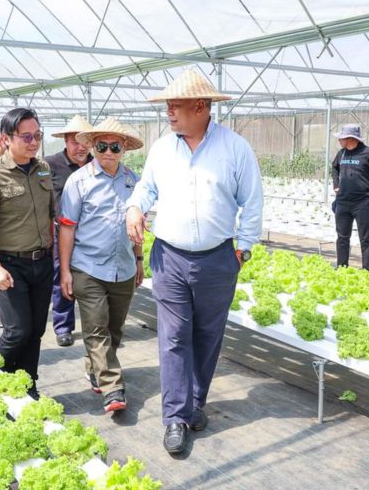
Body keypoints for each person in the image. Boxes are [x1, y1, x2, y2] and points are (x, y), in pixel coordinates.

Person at [125, 69, 263, 454]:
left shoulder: (235, 148)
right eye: (167, 106)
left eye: (175, 105)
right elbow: (146, 187)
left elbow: (252, 201)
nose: (168, 113)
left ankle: (195, 403)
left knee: (207, 335)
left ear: (200, 107)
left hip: (219, 258)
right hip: (169, 256)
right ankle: (174, 418)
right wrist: (135, 207)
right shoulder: (162, 148)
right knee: (173, 337)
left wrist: (244, 248)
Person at [58, 117, 143, 414]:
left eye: (115, 146)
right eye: (102, 145)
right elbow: (67, 228)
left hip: (123, 267)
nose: (108, 151)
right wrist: (65, 271)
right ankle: (112, 388)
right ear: (93, 146)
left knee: (114, 330)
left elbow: (138, 227)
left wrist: (140, 260)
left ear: (124, 149)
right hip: (88, 267)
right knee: (96, 329)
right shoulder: (78, 182)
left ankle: (95, 368)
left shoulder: (134, 181)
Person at [0, 107, 54, 400]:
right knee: (18, 330)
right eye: (27, 137)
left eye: (38, 136)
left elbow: (52, 214)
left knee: (36, 331)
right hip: (10, 265)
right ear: (7, 139)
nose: (34, 142)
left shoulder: (43, 168)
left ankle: (28, 383)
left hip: (42, 262)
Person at [46, 115, 94, 347]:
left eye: (85, 141)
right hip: (61, 232)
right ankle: (63, 325)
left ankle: (94, 326)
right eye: (75, 141)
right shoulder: (50, 165)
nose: (81, 146)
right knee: (61, 277)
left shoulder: (98, 164)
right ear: (66, 141)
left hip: (91, 234)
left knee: (91, 280)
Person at [331, 124, 369, 274]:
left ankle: (368, 271)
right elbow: (335, 168)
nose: (339, 140)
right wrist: (336, 185)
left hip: (362, 203)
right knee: (342, 237)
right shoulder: (341, 154)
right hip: (343, 202)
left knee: (366, 239)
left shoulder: (368, 153)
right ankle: (342, 268)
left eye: (342, 138)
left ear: (351, 139)